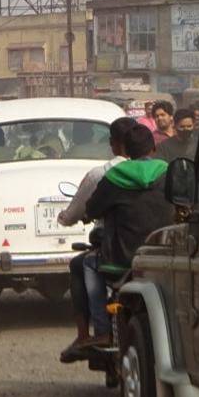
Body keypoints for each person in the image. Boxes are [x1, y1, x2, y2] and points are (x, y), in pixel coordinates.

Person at [58, 117, 138, 359]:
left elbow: (80, 211)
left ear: (113, 144)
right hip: (150, 248)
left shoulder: (102, 175)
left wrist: (67, 217)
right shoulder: (159, 171)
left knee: (82, 264)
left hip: (115, 251)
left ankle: (87, 334)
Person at [85, 124, 175, 271]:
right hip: (166, 257)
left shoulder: (113, 177)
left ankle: (100, 296)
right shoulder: (170, 173)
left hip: (121, 262)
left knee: (83, 264)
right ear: (154, 148)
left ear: (126, 151)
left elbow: (92, 210)